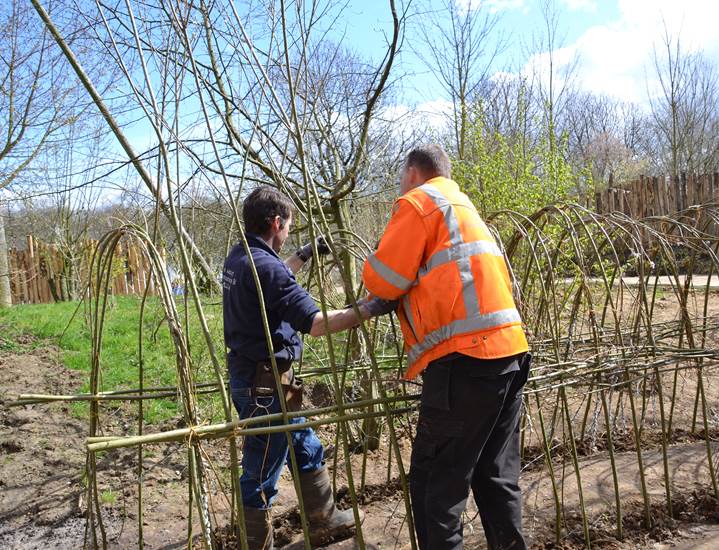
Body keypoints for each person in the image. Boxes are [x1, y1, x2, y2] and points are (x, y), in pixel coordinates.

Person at [362, 144, 531, 550]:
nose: (398, 189)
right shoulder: (464, 207)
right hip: (510, 351)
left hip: (466, 360)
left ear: (413, 172)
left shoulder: (419, 203)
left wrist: (374, 268)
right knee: (496, 478)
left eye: (401, 179)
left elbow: (383, 279)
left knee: (435, 491)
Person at [223, 185, 394, 549]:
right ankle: (257, 544)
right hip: (265, 386)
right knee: (262, 467)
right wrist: (370, 308)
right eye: (287, 227)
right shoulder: (266, 267)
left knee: (304, 444)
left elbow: (271, 278)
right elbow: (315, 323)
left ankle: (323, 520)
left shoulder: (240, 258)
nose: (287, 234)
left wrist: (304, 256)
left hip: (257, 377)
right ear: (274, 222)